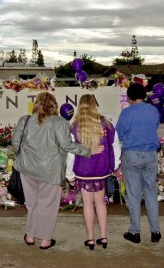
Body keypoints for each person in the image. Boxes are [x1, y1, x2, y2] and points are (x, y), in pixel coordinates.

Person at [13, 92, 103, 250]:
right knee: (48, 206)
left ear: (36, 104)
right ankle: (45, 240)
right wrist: (89, 151)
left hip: (27, 170)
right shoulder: (60, 122)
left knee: (32, 204)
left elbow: (15, 144)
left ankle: (30, 236)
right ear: (54, 106)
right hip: (51, 171)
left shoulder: (24, 120)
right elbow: (67, 145)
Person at [66, 94, 121, 250]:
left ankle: (90, 239)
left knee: (87, 204)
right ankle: (103, 237)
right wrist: (114, 166)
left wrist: (69, 174)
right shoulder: (107, 125)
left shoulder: (75, 126)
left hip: (83, 170)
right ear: (95, 105)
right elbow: (116, 147)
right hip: (102, 169)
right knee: (101, 202)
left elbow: (70, 153)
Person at [115, 83, 161, 244]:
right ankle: (155, 231)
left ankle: (135, 232)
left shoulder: (126, 113)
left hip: (132, 155)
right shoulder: (153, 110)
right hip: (150, 155)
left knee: (133, 195)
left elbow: (118, 134)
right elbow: (155, 126)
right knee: (151, 193)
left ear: (129, 97)